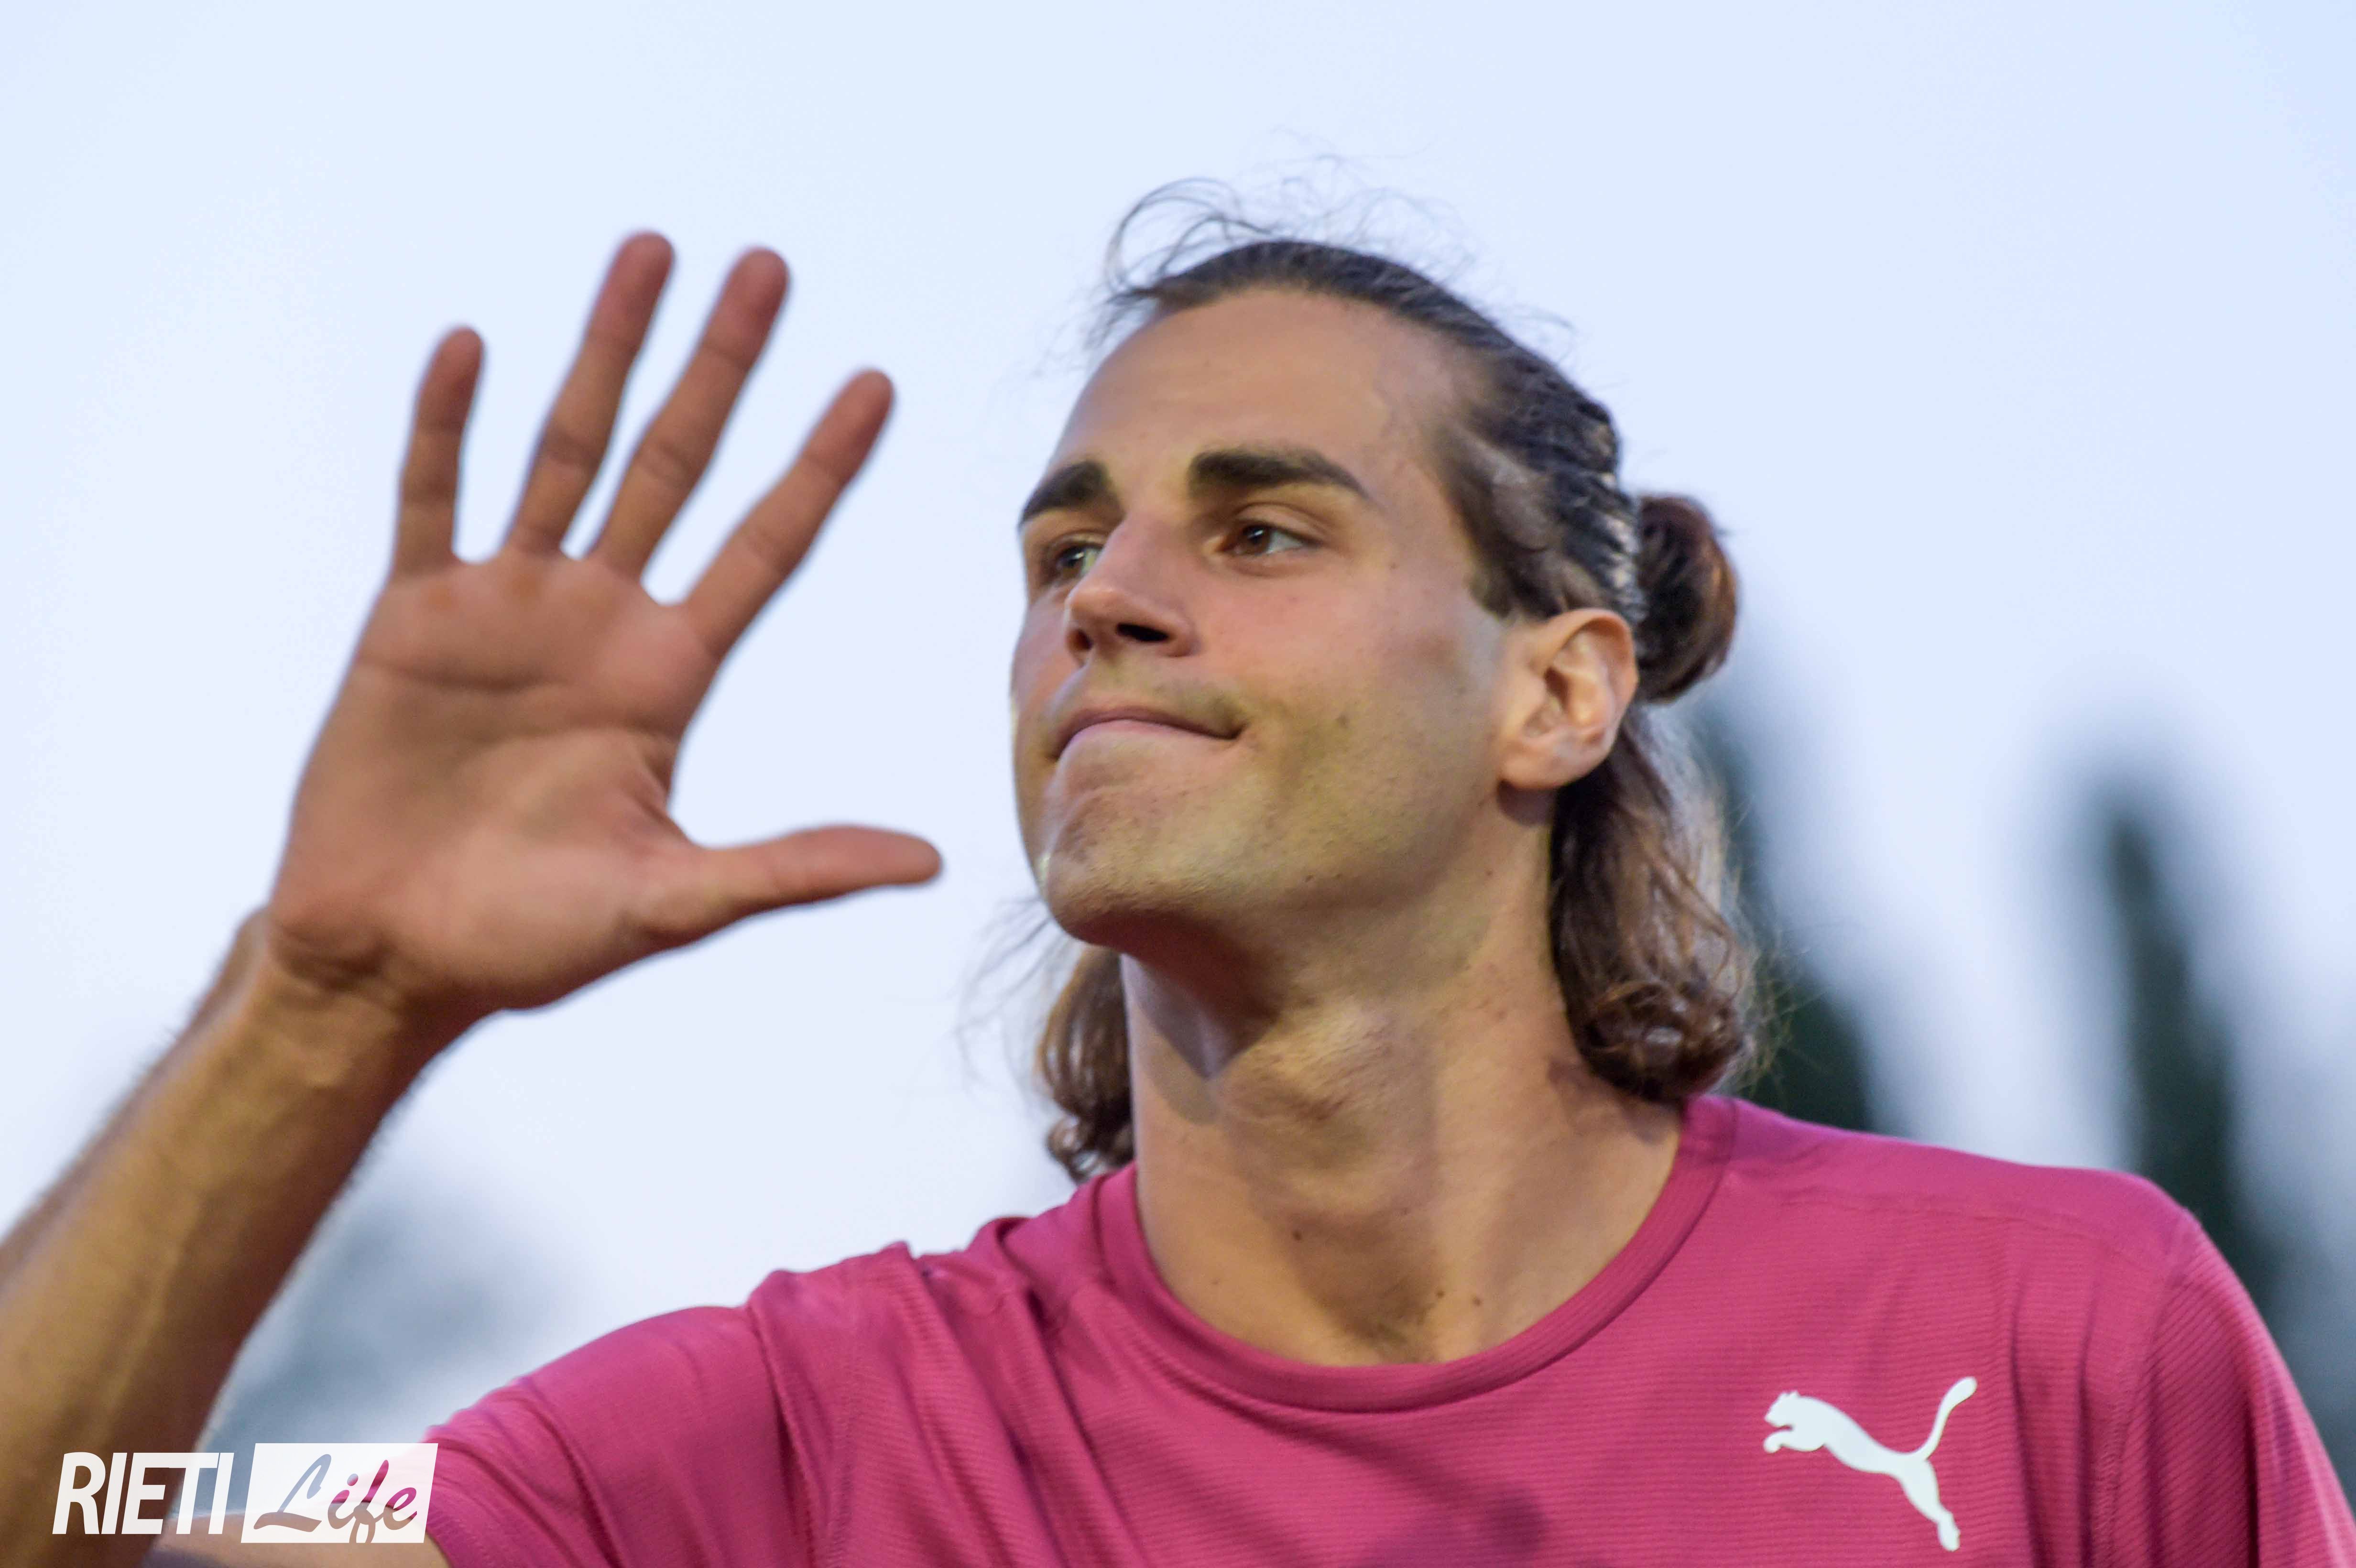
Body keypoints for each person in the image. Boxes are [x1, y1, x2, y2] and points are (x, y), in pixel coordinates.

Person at [3, 193, 2350, 1568]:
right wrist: (319, 1007)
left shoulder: (2061, 1336)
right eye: (1064, 548)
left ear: (1556, 691)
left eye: (1259, 530)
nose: (1103, 599)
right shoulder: (786, 1449)